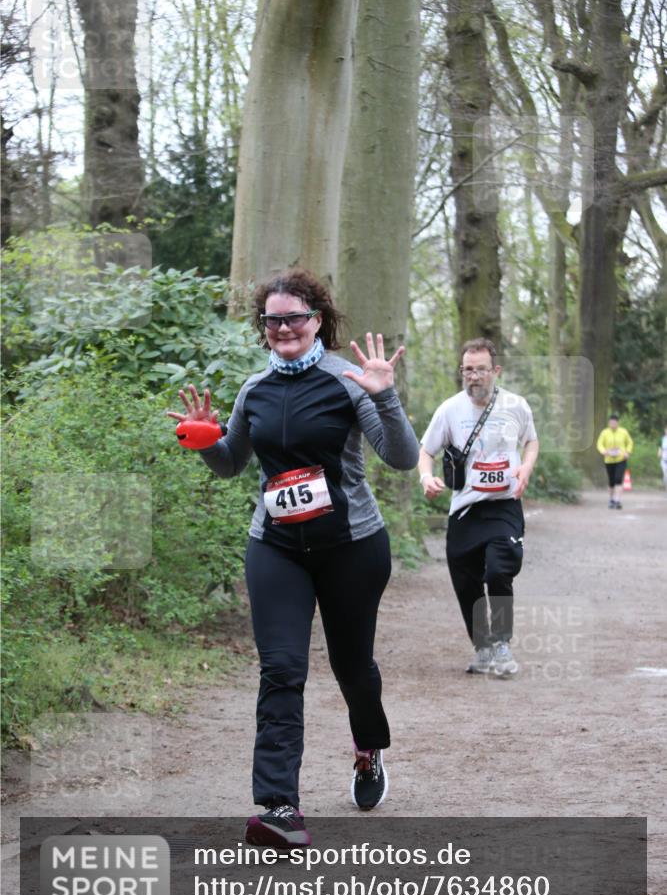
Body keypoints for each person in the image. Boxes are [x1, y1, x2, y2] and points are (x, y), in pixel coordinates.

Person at [167, 268, 418, 847]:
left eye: (294, 317)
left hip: (351, 546)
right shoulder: (255, 389)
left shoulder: (351, 381)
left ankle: (367, 748)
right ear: (264, 328)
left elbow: (401, 458)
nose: (283, 328)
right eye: (273, 319)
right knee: (282, 669)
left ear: (317, 322)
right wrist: (203, 441)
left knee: (352, 668)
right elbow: (232, 461)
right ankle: (280, 806)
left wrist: (387, 394)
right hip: (276, 547)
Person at [417, 338, 539, 678]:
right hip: (465, 510)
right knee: (466, 582)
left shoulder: (516, 406)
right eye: (467, 370)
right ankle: (483, 647)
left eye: (481, 369)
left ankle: (502, 643)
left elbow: (531, 441)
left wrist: (525, 469)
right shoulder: (450, 410)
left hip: (503, 505)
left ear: (495, 371)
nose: (474, 376)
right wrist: (426, 478)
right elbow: (426, 450)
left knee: (499, 570)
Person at [596, 414, 633, 509]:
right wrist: (603, 451)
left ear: (617, 423)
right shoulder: (604, 433)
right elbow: (599, 444)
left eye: (614, 422)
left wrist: (627, 452)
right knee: (611, 481)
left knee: (618, 479)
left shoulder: (623, 432)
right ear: (609, 423)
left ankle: (617, 500)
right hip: (609, 460)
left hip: (621, 459)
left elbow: (630, 442)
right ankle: (611, 499)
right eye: (611, 422)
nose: (613, 424)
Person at [658, 425, 667, 491]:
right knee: (665, 474)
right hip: (664, 459)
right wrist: (659, 453)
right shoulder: (662, 439)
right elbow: (660, 448)